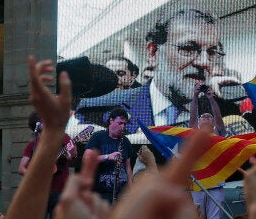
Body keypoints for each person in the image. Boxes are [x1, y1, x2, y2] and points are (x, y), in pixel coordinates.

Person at [75, 8, 240, 133]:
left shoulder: (222, 109)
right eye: (188, 48)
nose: (204, 62)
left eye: (211, 52)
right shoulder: (97, 111)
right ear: (153, 53)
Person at [18, 111, 77, 219]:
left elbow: (73, 154)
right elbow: (22, 168)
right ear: (38, 124)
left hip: (60, 190)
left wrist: (67, 154)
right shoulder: (32, 145)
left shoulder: (63, 137)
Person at [189, 84, 226, 219]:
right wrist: (195, 95)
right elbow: (192, 117)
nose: (205, 117)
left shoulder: (218, 134)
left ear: (213, 125)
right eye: (202, 117)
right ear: (198, 123)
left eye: (208, 117)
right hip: (198, 184)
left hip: (215, 184)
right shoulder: (194, 135)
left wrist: (211, 98)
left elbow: (218, 116)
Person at [84, 107, 133, 203]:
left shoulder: (125, 141)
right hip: (100, 193)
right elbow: (86, 159)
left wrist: (131, 190)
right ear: (111, 120)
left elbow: (128, 168)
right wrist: (107, 157)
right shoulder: (98, 137)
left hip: (122, 194)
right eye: (120, 123)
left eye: (124, 124)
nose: (122, 127)